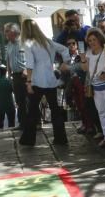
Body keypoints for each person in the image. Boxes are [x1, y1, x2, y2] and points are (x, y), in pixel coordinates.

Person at [20, 19, 70, 147]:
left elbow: (30, 64)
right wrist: (65, 62)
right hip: (50, 79)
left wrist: (29, 81)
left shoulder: (28, 43)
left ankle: (28, 139)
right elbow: (64, 49)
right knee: (55, 110)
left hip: (37, 80)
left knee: (32, 110)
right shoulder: (47, 41)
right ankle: (61, 138)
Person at [82, 28, 105, 147]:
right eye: (90, 40)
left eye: (94, 40)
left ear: (99, 39)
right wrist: (82, 59)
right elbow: (85, 69)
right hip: (96, 86)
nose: (92, 42)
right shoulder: (88, 52)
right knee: (101, 112)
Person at [3, 22, 29, 129]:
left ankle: (35, 122)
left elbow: (32, 57)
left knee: (29, 99)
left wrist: (27, 69)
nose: (5, 34)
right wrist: (9, 74)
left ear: (13, 31)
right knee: (19, 100)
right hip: (16, 76)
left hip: (26, 75)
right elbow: (8, 60)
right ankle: (23, 123)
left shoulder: (24, 43)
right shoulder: (8, 45)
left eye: (7, 32)